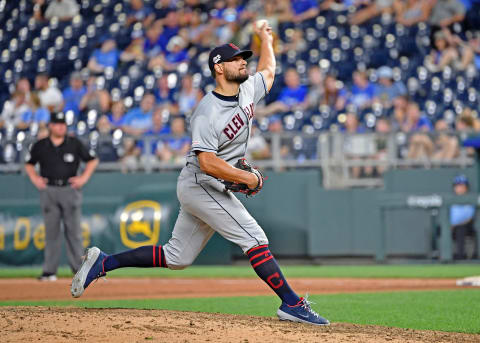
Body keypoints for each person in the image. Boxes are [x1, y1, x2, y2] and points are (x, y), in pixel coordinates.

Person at [71, 24, 329, 326]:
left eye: (244, 57)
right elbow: (206, 161)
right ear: (218, 68)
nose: (243, 61)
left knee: (177, 257)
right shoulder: (207, 112)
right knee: (255, 238)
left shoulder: (247, 88)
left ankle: (104, 262)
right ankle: (292, 303)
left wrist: (267, 40)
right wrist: (248, 178)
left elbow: (269, 71)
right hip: (200, 183)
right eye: (236, 59)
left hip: (211, 184)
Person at [25, 112, 99, 281]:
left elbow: (92, 160)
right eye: (58, 124)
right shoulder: (41, 145)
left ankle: (79, 271)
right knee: (51, 232)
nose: (61, 127)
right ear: (51, 125)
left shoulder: (73, 143)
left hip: (69, 189)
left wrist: (83, 178)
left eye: (63, 124)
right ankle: (49, 271)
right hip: (49, 189)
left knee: (74, 232)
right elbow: (29, 164)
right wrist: (35, 179)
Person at [450, 175, 478, 260]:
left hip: (465, 227)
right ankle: (439, 256)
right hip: (451, 227)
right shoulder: (451, 200)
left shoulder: (470, 200)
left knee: (461, 229)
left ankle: (460, 258)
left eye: (462, 186)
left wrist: (455, 225)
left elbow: (469, 218)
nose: (460, 188)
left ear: (466, 187)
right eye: (457, 186)